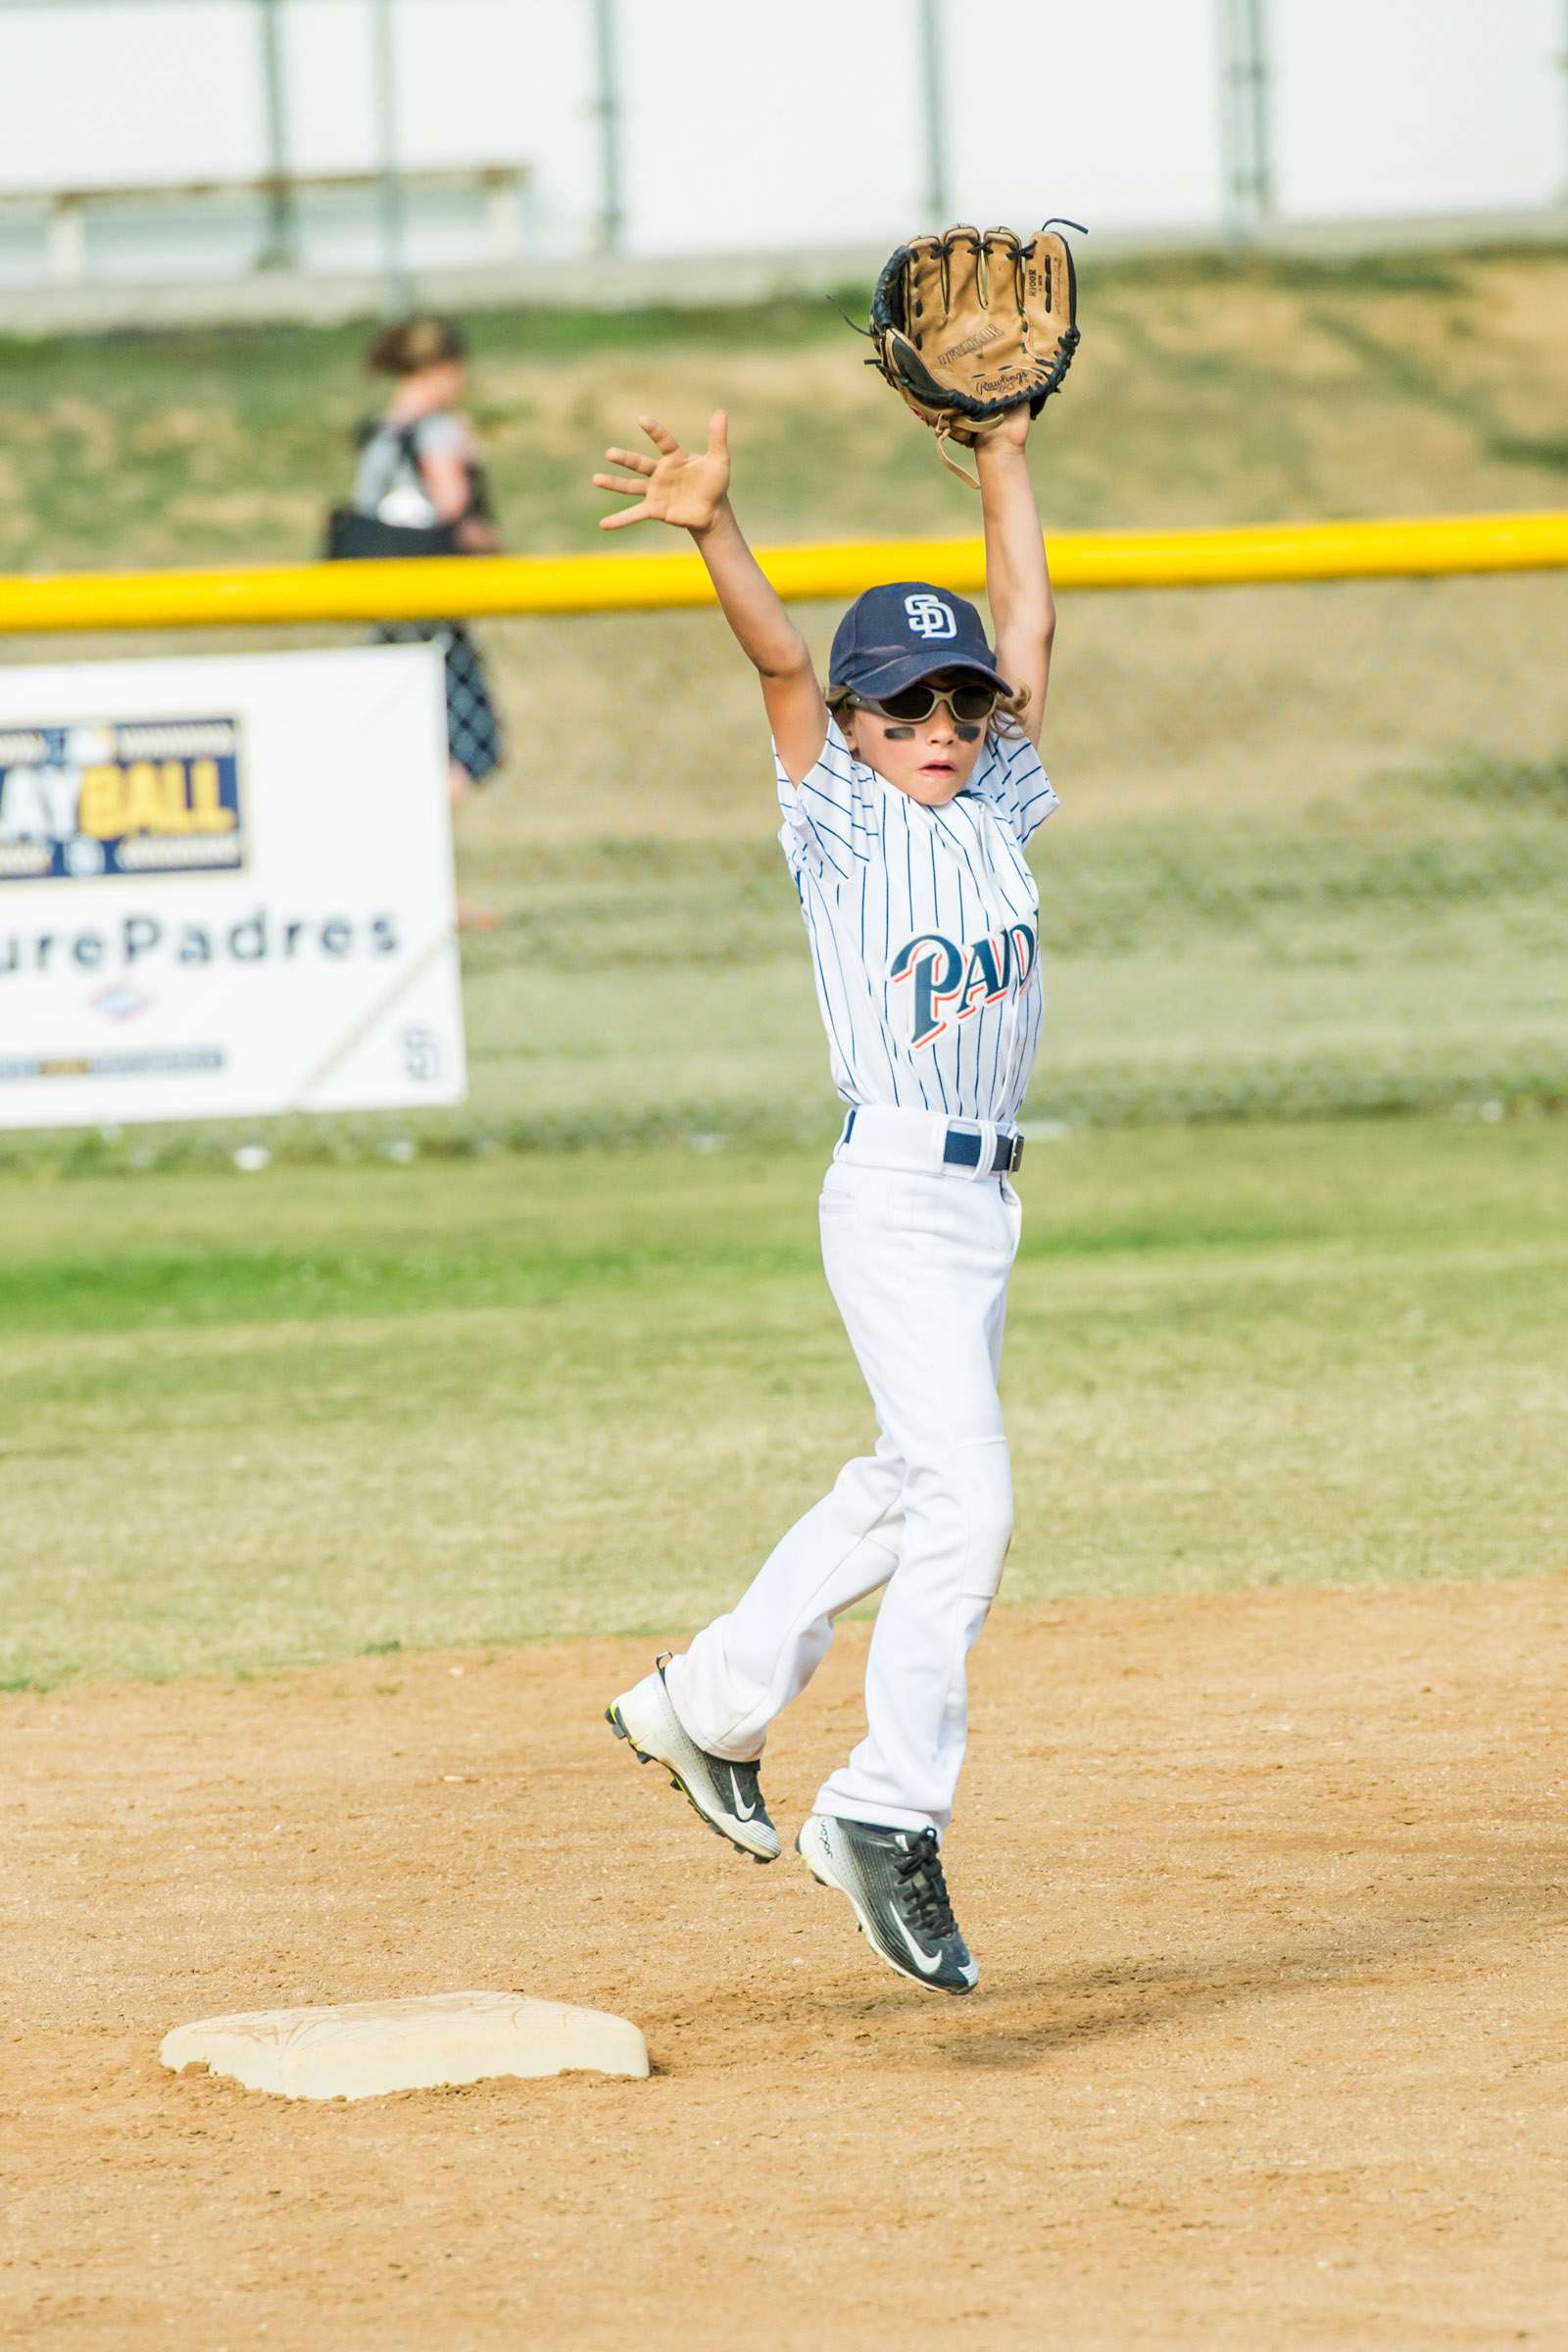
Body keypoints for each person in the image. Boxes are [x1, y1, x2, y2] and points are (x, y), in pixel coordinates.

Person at [596, 404, 1058, 1995]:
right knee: (972, 1507)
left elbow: (1030, 619)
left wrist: (1002, 452)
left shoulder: (996, 804)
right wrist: (717, 530)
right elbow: (782, 666)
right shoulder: (845, 825)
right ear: (858, 733)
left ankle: (710, 1703)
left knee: (904, 1485)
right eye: (904, 706)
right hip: (890, 1195)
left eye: (960, 703)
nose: (938, 723)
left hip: (985, 1210)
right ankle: (881, 1810)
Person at [353, 317, 505, 928]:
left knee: (416, 748)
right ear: (440, 370)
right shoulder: (438, 429)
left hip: (385, 605)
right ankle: (425, 882)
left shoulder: (380, 433)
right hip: (432, 609)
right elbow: (452, 508)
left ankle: (423, 884)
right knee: (471, 745)